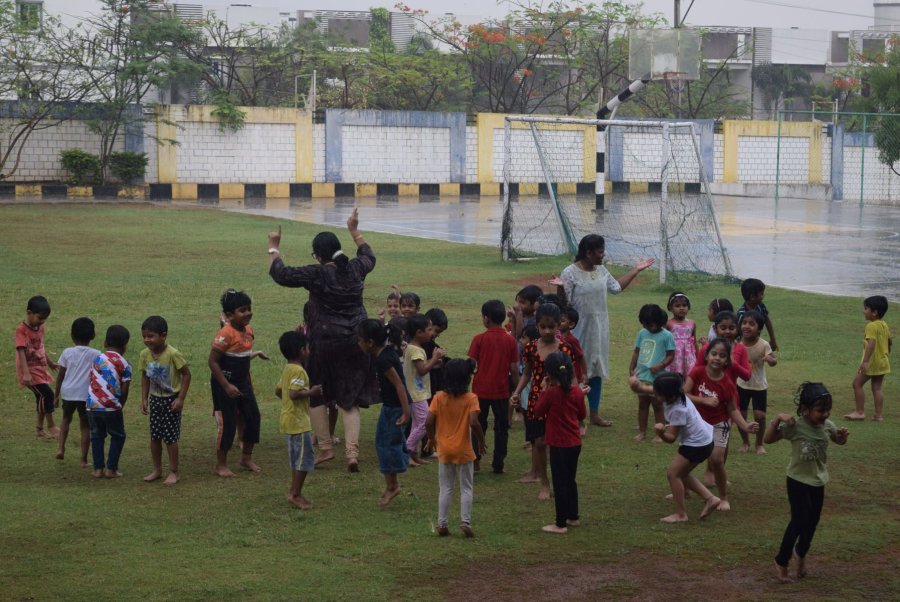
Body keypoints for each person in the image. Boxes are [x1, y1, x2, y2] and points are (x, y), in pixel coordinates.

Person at [268, 208, 377, 472]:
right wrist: (355, 231)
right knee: (349, 399)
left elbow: (281, 274)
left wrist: (274, 248)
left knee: (317, 392)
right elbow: (369, 257)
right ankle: (352, 454)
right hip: (355, 340)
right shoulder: (355, 270)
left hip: (324, 342)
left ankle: (326, 448)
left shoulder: (318, 274)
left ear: (317, 256)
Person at [554, 234, 654, 427]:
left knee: (597, 369)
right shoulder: (569, 273)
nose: (603, 255)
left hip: (599, 328)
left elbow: (616, 288)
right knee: (577, 369)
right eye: (600, 251)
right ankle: (574, 413)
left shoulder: (601, 270)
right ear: (588, 252)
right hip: (579, 328)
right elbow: (564, 303)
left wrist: (636, 270)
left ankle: (595, 414)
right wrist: (559, 288)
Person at [764, 382, 849, 583]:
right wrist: (777, 419)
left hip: (818, 481)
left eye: (828, 410)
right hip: (797, 481)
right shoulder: (795, 426)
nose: (826, 414)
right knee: (799, 521)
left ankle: (800, 555)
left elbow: (837, 439)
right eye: (820, 410)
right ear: (805, 409)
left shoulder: (828, 426)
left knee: (812, 523)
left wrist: (842, 437)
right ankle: (781, 562)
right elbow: (768, 439)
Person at [684, 338, 759, 511]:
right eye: (714, 354)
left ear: (727, 360)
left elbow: (733, 409)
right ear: (707, 355)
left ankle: (723, 498)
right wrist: (704, 400)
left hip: (719, 423)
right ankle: (684, 490)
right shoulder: (697, 372)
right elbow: (684, 394)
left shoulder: (727, 383)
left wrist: (745, 425)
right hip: (697, 423)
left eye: (722, 355)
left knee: (717, 460)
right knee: (687, 459)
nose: (717, 358)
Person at [511, 303, 575, 501]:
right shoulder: (530, 347)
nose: (547, 331)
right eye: (542, 327)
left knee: (556, 445)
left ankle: (560, 482)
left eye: (552, 327)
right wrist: (516, 392)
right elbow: (527, 373)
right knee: (539, 443)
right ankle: (544, 483)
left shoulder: (564, 348)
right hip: (536, 401)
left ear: (558, 326)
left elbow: (571, 376)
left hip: (558, 401)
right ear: (537, 325)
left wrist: (575, 394)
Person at [425, 358, 484, 537]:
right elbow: (474, 422)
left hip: (444, 448)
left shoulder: (438, 397)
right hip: (464, 449)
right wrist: (481, 440)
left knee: (445, 488)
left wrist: (430, 439)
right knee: (466, 487)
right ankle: (465, 521)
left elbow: (428, 421)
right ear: (467, 378)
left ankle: (442, 523)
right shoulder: (471, 398)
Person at [651, 372, 721, 523]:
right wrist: (637, 386)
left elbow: (671, 438)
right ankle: (707, 498)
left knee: (673, 474)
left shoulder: (678, 410)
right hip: (704, 440)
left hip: (697, 445)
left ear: (668, 395)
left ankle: (681, 514)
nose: (655, 396)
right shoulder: (678, 394)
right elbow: (651, 389)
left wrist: (660, 433)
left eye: (658, 394)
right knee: (681, 473)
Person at [532, 352, 588, 534]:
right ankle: (573, 516)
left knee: (559, 482)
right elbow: (581, 415)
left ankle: (560, 523)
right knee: (570, 480)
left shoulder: (550, 394)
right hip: (574, 443)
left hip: (558, 443)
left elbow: (537, 412)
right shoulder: (577, 393)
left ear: (549, 373)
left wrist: (543, 390)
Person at [358, 319, 410, 506]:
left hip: (395, 408)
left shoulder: (383, 359)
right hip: (391, 406)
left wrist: (405, 412)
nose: (359, 343)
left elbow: (399, 385)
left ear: (370, 342)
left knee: (387, 444)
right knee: (383, 442)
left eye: (360, 340)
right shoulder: (384, 353)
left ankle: (393, 485)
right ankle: (391, 482)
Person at [209, 289, 261, 477]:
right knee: (228, 423)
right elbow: (213, 362)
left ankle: (246, 457)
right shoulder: (225, 334)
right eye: (242, 310)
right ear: (230, 315)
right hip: (224, 384)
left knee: (253, 417)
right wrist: (226, 385)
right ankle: (220, 464)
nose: (248, 313)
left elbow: (243, 357)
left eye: (249, 309)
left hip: (242, 382)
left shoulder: (248, 330)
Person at [468, 300, 518, 474]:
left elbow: (472, 364)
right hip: (502, 390)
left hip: (480, 389)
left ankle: (475, 461)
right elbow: (513, 368)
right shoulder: (510, 341)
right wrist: (516, 389)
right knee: (501, 427)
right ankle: (498, 463)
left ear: (486, 319)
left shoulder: (479, 339)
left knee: (477, 425)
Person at [139, 315, 191, 485]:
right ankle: (157, 469)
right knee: (155, 436)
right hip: (155, 400)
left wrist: (181, 399)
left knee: (170, 438)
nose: (147, 340)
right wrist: (144, 399)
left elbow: (186, 375)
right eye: (144, 336)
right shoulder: (145, 354)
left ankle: (174, 472)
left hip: (171, 401)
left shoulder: (173, 354)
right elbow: (145, 377)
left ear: (163, 335)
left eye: (151, 336)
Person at [276, 331, 323, 510]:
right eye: (307, 347)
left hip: (288, 420)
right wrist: (311, 392)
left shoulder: (288, 368)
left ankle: (294, 491)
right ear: (302, 350)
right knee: (303, 461)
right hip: (299, 423)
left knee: (297, 459)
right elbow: (294, 393)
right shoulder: (299, 371)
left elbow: (279, 390)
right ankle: (295, 494)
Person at [87, 325, 132, 479]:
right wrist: (121, 405)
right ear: (125, 346)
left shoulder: (97, 359)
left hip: (92, 405)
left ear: (105, 342)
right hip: (111, 406)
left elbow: (90, 379)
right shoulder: (124, 364)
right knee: (118, 435)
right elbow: (125, 389)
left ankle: (98, 469)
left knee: (96, 436)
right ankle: (111, 469)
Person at [55, 317, 100, 465]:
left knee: (66, 419)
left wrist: (56, 396)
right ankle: (83, 459)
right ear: (93, 335)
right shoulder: (96, 354)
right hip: (85, 394)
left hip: (68, 392)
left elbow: (61, 375)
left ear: (72, 336)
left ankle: (60, 449)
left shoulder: (67, 352)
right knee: (85, 425)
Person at [628, 304, 676, 442]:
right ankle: (642, 431)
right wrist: (631, 367)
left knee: (658, 405)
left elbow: (671, 355)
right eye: (647, 325)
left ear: (661, 322)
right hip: (642, 375)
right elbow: (637, 351)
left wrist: (661, 365)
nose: (650, 328)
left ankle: (659, 434)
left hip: (658, 378)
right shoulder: (642, 333)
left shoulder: (667, 336)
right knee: (642, 404)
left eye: (653, 325)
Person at [403, 313, 445, 466]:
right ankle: (406, 451)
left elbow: (419, 367)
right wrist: (435, 358)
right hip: (417, 394)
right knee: (423, 424)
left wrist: (435, 362)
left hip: (415, 392)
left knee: (416, 424)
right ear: (419, 333)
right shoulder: (416, 350)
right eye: (428, 330)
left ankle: (413, 455)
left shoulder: (413, 348)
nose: (431, 333)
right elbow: (421, 370)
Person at [15, 295, 59, 439]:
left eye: (45, 318)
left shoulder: (40, 328)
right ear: (29, 313)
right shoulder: (22, 330)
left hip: (40, 369)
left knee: (41, 397)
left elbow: (40, 347)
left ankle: (39, 430)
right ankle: (51, 425)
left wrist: (50, 362)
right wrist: (26, 374)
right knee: (47, 394)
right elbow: (21, 351)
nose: (42, 321)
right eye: (40, 318)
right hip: (29, 371)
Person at [736, 310, 777, 454]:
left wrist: (771, 360)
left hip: (759, 386)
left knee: (760, 416)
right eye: (744, 323)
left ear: (759, 329)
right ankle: (745, 442)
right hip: (741, 384)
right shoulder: (738, 343)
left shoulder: (764, 344)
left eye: (751, 324)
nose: (746, 326)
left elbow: (773, 360)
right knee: (741, 415)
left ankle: (759, 444)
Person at [846, 295, 891, 421]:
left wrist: (865, 361)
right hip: (883, 361)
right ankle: (878, 415)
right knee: (877, 387)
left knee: (857, 384)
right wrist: (887, 352)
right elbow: (889, 340)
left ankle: (860, 412)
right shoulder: (883, 324)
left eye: (866, 308)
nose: (863, 311)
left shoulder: (871, 326)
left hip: (872, 362)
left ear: (874, 312)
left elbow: (871, 343)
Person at [696, 311, 751, 384]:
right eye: (723, 328)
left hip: (729, 393)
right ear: (715, 329)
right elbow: (695, 372)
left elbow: (747, 376)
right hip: (707, 392)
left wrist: (734, 364)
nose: (727, 331)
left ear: (737, 329)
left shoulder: (741, 349)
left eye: (731, 328)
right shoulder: (706, 348)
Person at [737, 278, 778, 351]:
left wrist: (773, 339)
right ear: (752, 297)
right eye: (761, 294)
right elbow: (738, 332)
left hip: (756, 343)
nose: (763, 295)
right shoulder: (741, 314)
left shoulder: (760, 306)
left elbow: (766, 320)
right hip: (743, 347)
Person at [666, 292, 697, 378]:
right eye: (677, 306)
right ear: (670, 308)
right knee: (674, 378)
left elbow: (694, 342)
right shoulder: (668, 324)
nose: (681, 308)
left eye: (684, 305)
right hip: (674, 357)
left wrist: (698, 358)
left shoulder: (692, 323)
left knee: (689, 376)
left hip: (689, 356)